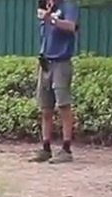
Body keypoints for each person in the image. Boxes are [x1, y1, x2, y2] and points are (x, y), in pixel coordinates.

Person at [31, 0, 79, 163]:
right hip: (45, 62)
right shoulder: (46, 6)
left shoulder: (68, 6)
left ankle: (66, 149)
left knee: (63, 105)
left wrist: (51, 19)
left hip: (61, 62)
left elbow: (72, 26)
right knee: (45, 108)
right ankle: (46, 147)